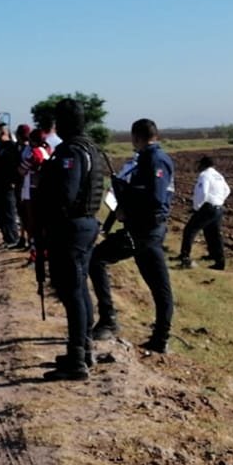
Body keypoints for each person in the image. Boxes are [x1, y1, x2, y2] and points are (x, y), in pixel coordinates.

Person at [89, 118, 176, 354]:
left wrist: (126, 199)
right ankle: (159, 337)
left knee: (98, 259)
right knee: (157, 284)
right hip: (142, 229)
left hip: (146, 230)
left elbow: (155, 199)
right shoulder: (147, 159)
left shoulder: (155, 160)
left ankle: (110, 320)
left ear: (136, 137)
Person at [35, 99, 104, 381]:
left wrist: (48, 223)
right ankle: (83, 350)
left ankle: (77, 360)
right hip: (82, 226)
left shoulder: (72, 151)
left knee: (72, 291)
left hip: (71, 229)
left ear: (64, 123)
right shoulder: (89, 147)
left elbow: (65, 194)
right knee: (79, 288)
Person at [178, 156, 230, 270]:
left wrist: (197, 207)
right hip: (218, 208)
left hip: (208, 207)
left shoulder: (204, 175)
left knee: (190, 230)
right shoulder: (218, 176)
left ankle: (184, 256)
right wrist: (219, 199)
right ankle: (219, 260)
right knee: (213, 234)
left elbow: (202, 193)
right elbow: (227, 190)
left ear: (203, 165)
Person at [0, 123, 23, 247]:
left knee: (9, 213)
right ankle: (6, 238)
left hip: (7, 186)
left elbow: (15, 166)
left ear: (2, 133)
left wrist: (13, 181)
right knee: (1, 214)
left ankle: (13, 239)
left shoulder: (12, 147)